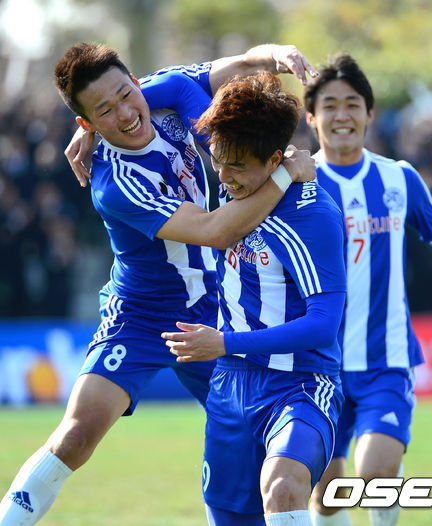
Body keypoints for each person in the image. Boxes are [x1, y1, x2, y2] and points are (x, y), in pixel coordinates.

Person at [0, 42, 318, 526]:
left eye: (126, 94)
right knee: (76, 435)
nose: (126, 114)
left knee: (270, 446)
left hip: (216, 308)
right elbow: (215, 230)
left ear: (137, 82)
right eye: (105, 111)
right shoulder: (115, 183)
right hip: (141, 317)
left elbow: (239, 64)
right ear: (86, 123)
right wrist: (284, 176)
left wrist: (276, 53)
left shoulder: (165, 90)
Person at [303, 52, 432, 526]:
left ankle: (386, 480)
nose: (342, 115)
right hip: (318, 365)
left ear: (369, 113)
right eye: (329, 106)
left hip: (386, 357)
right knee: (327, 496)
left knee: (375, 474)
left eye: (352, 104)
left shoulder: (398, 177)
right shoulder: (298, 187)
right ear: (311, 117)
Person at [162, 71, 347, 526]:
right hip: (230, 386)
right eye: (217, 162)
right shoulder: (234, 146)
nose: (223, 178)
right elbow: (178, 88)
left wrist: (225, 342)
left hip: (301, 384)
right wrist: (88, 127)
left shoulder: (312, 214)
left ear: (274, 160)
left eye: (237, 168)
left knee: (283, 488)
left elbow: (325, 323)